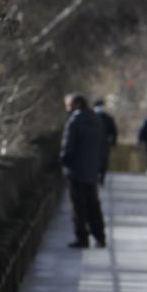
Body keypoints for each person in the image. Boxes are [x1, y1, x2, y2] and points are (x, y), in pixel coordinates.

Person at [59, 93, 106, 248]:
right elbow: (102, 146)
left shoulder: (74, 122)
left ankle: (82, 237)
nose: (67, 109)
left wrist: (64, 161)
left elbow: (68, 147)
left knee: (78, 206)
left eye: (68, 106)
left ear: (76, 105)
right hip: (92, 169)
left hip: (76, 170)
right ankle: (100, 235)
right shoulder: (97, 120)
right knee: (93, 204)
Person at [93, 100, 119, 184]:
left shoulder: (108, 118)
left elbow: (114, 131)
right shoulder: (92, 117)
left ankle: (102, 177)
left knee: (104, 161)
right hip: (93, 144)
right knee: (94, 161)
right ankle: (95, 176)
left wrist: (113, 142)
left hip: (104, 144)